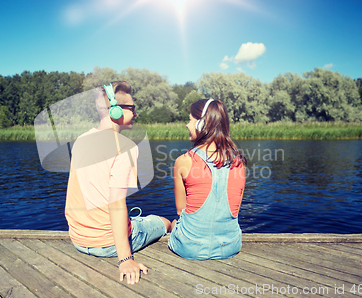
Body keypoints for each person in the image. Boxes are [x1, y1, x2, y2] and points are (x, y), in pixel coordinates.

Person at [65, 81, 172, 284]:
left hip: (78, 240)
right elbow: (116, 204)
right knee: (162, 221)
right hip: (107, 245)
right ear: (115, 111)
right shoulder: (125, 147)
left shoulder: (80, 141)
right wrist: (125, 259)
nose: (136, 113)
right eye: (132, 108)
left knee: (134, 219)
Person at [168, 98, 247, 260]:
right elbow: (235, 209)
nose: (187, 125)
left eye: (190, 120)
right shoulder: (240, 162)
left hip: (190, 248)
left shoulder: (183, 161)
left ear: (201, 124)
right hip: (230, 247)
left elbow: (180, 211)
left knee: (175, 222)